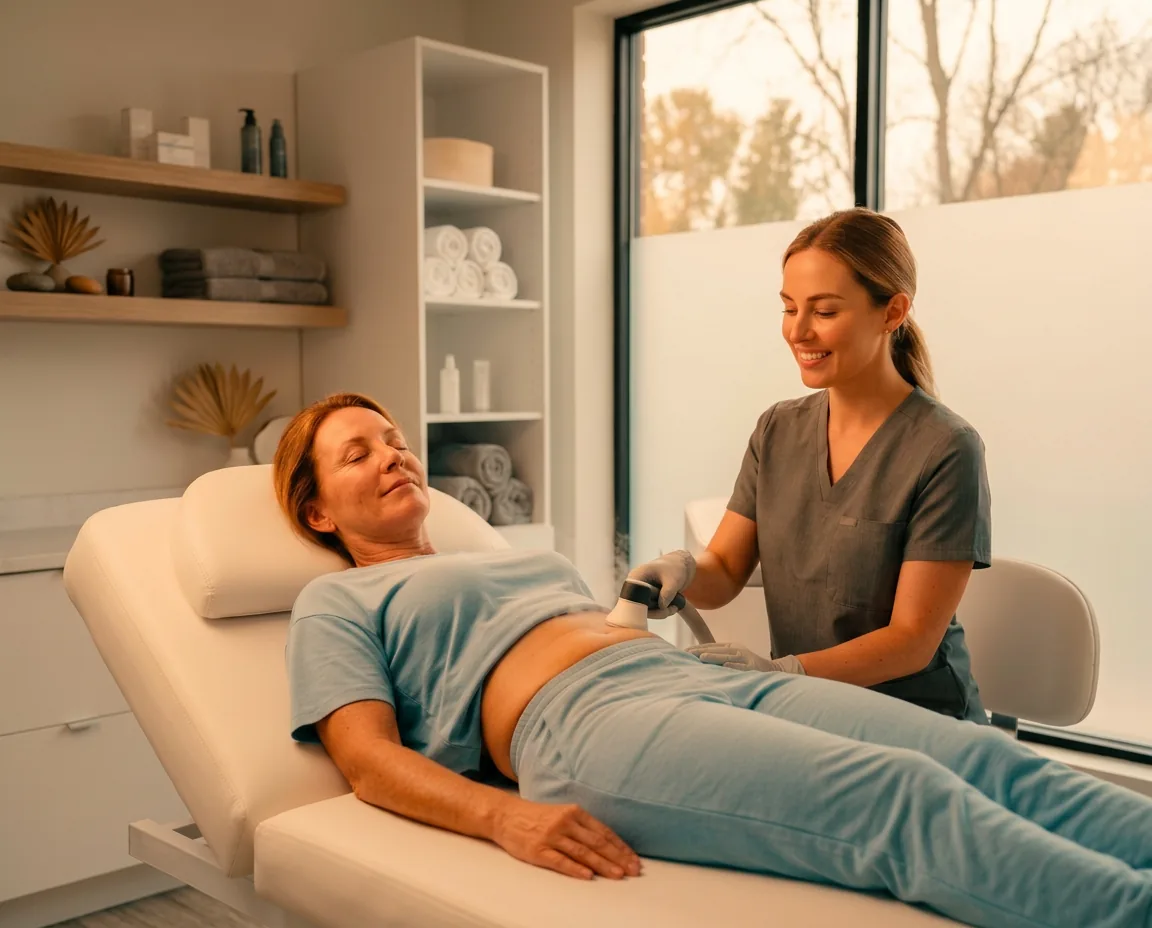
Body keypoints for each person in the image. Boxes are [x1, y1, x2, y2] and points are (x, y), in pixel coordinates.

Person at [274, 390, 1152, 928]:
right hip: (581, 725)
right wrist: (505, 819)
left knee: (979, 757)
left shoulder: (509, 558)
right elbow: (368, 762)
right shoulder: (336, 601)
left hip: (691, 676)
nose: (393, 454)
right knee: (903, 796)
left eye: (394, 438)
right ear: (319, 513)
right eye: (359, 452)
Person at [632, 207, 991, 722]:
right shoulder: (777, 430)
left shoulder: (947, 449)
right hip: (807, 716)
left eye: (823, 312)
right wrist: (683, 570)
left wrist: (785, 672)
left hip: (918, 725)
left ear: (892, 312)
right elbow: (727, 570)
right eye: (788, 308)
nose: (797, 332)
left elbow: (912, 640)